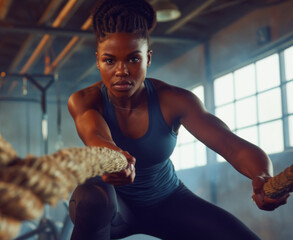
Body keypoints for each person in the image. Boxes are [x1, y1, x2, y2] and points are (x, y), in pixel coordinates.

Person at [67, 0, 290, 239]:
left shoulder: (174, 100)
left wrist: (262, 175)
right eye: (110, 60)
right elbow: (96, 135)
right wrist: (113, 158)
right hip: (114, 210)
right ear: (98, 60)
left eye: (133, 59)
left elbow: (231, 146)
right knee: (91, 198)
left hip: (168, 201)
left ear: (148, 59)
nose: (121, 70)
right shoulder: (84, 100)